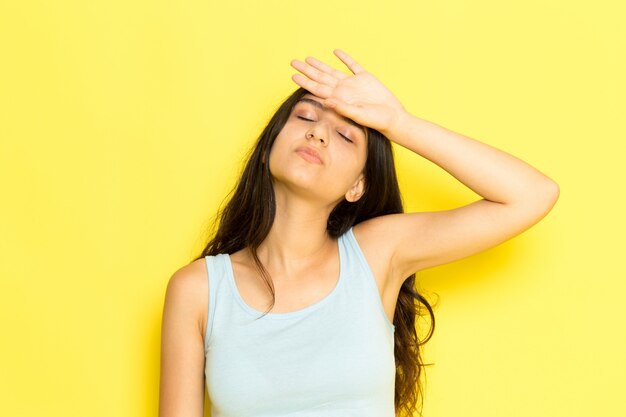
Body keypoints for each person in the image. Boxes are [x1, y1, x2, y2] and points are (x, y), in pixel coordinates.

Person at [158, 49, 560, 417]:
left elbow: (531, 195)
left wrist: (399, 123)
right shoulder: (198, 290)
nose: (318, 133)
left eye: (347, 135)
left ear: (358, 186)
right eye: (306, 117)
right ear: (267, 149)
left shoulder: (376, 255)